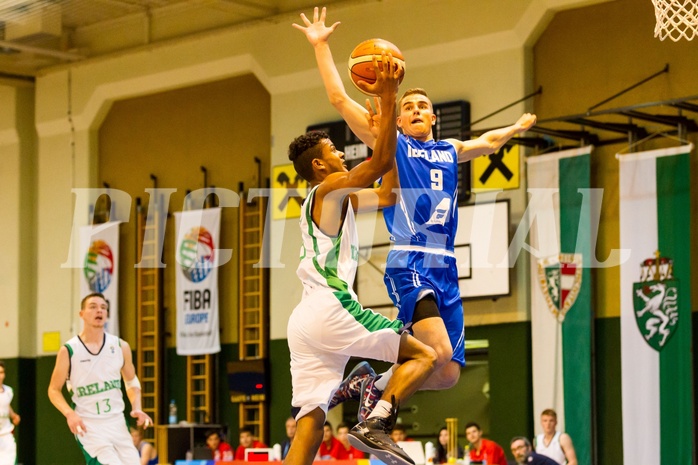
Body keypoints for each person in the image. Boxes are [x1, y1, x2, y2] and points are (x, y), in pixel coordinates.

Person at [294, 7, 537, 419]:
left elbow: (488, 142)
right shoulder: (393, 142)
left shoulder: (450, 150)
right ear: (400, 119)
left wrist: (513, 129)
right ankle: (380, 413)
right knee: (435, 351)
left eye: (424, 106)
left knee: (447, 374)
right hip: (410, 259)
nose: (418, 110)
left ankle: (367, 384)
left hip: (447, 264)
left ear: (434, 116)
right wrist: (321, 47)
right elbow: (338, 98)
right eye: (409, 108)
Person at [284, 49, 437, 465]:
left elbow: (388, 191)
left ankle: (360, 385)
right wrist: (388, 102)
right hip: (331, 308)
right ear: (319, 165)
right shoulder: (329, 188)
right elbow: (382, 161)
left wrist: (383, 129)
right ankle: (373, 407)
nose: (340, 151)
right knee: (425, 355)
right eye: (334, 148)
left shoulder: (335, 198)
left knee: (312, 421)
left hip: (304, 321)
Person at [47, 292, 152, 465]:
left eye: (103, 307)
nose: (99, 311)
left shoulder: (120, 346)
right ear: (82, 314)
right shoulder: (69, 350)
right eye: (93, 307)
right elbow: (53, 389)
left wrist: (137, 406)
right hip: (89, 426)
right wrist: (69, 414)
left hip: (117, 422)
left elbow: (131, 381)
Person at [0, 361, 20, 465]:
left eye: (2, 372)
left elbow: (6, 405)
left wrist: (13, 415)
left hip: (6, 435)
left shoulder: (8, 391)